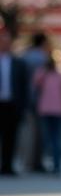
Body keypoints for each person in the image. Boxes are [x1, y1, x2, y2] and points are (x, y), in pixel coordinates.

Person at [0, 28, 30, 175]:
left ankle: (8, 165)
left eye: (7, 40)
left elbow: (24, 86)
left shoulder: (18, 62)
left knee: (11, 136)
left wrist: (24, 106)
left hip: (12, 104)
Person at [34, 52, 61, 175]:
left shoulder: (60, 75)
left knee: (55, 139)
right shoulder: (44, 75)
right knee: (48, 139)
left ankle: (57, 164)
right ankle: (48, 163)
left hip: (56, 111)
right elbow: (35, 82)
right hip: (46, 110)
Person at [21, 31, 50, 173]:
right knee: (38, 132)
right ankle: (36, 162)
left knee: (29, 131)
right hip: (40, 98)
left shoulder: (25, 56)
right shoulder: (42, 57)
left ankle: (28, 162)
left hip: (26, 97)